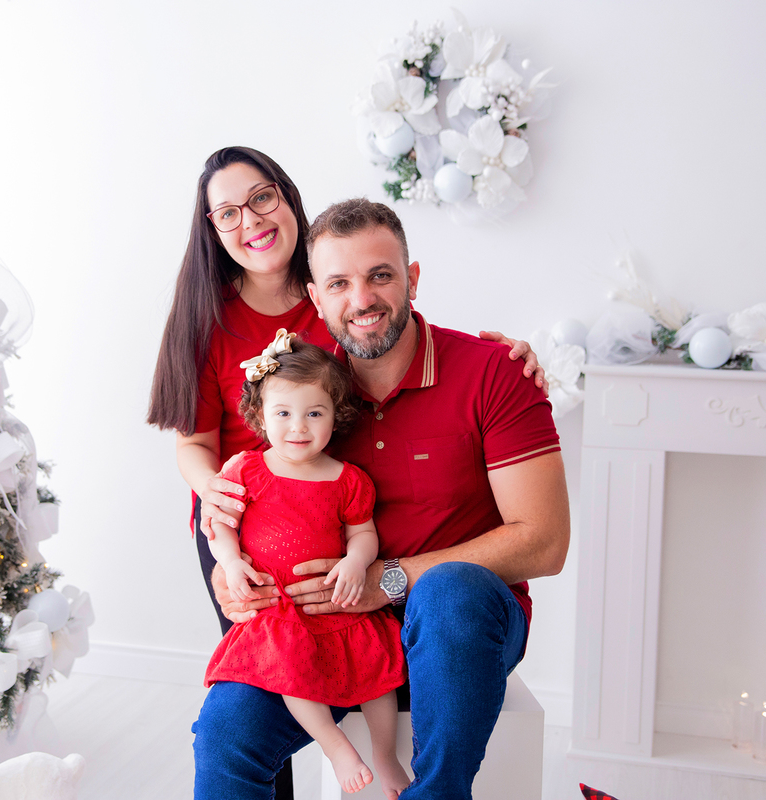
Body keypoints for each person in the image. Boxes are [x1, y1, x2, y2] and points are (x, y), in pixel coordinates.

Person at [192, 199, 571, 799]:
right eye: (339, 283)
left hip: (458, 628)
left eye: (381, 276)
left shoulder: (494, 373)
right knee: (224, 731)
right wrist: (231, 571)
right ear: (316, 299)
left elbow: (546, 542)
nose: (361, 299)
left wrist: (388, 580)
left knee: (450, 590)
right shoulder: (305, 398)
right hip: (324, 631)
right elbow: (241, 500)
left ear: (413, 279)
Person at [146, 146, 546, 637]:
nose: (250, 221)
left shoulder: (339, 292)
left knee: (341, 652)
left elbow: (401, 336)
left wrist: (502, 361)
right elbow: (194, 444)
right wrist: (216, 497)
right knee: (269, 667)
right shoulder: (203, 322)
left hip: (327, 507)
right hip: (242, 518)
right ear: (213, 229)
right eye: (229, 213)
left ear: (287, 198)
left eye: (262, 199)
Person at [203, 333, 409, 797]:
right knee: (290, 671)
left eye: (314, 413)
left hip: (336, 601)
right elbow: (219, 527)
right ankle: (336, 747)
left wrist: (357, 563)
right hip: (278, 608)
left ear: (337, 416)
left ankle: (385, 754)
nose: (298, 427)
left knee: (379, 670)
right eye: (283, 414)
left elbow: (363, 534)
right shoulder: (246, 470)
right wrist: (232, 565)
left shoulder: (347, 479)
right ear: (260, 415)